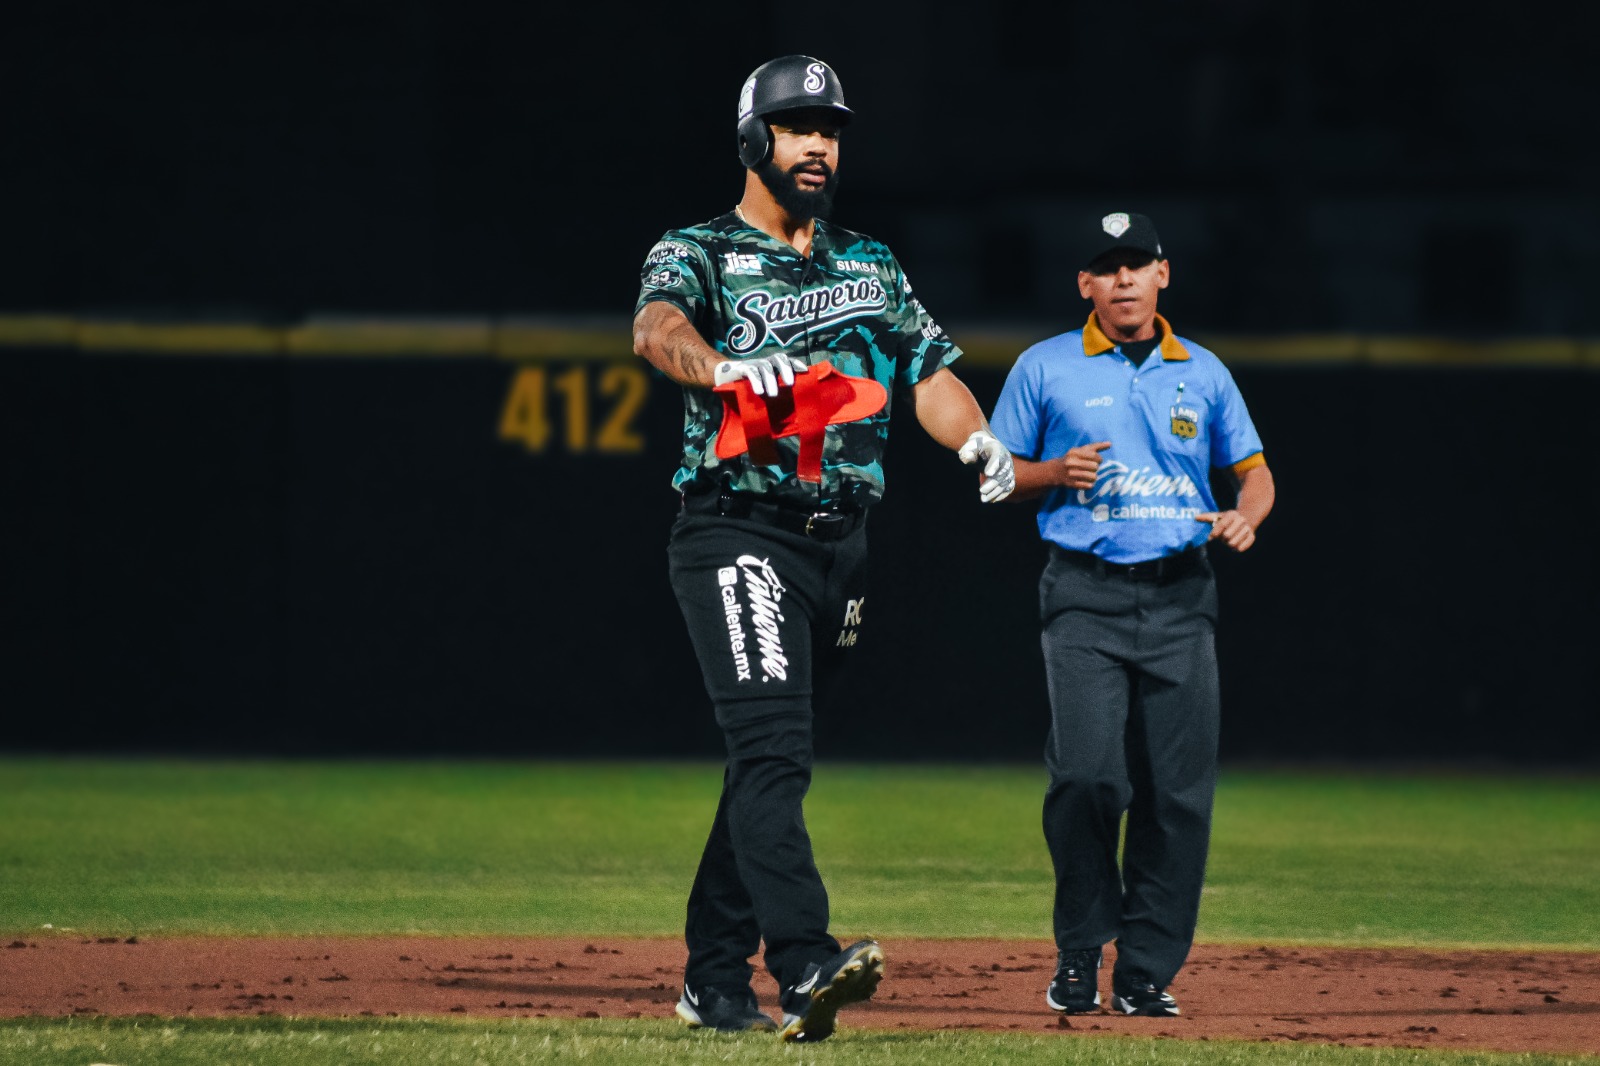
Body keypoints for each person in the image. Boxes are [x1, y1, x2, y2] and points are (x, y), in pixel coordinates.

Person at [630, 54, 1015, 1042]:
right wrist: (722, 369)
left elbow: (928, 371)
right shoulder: (699, 249)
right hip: (737, 530)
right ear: (752, 138)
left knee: (768, 761)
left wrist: (975, 437)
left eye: (831, 130)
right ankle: (803, 961)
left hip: (841, 549)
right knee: (773, 751)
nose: (818, 145)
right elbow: (655, 329)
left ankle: (713, 978)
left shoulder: (870, 263)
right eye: (799, 126)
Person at [987, 210, 1275, 1018]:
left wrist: (1247, 514)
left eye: (1137, 263)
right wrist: (1051, 472)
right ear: (1085, 283)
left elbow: (1255, 474)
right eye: (1107, 267)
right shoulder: (1045, 366)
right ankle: (1081, 949)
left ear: (1162, 274)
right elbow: (995, 477)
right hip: (1084, 594)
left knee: (1177, 795)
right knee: (1087, 776)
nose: (1123, 279)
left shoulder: (1204, 371)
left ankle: (1145, 969)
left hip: (1181, 597)